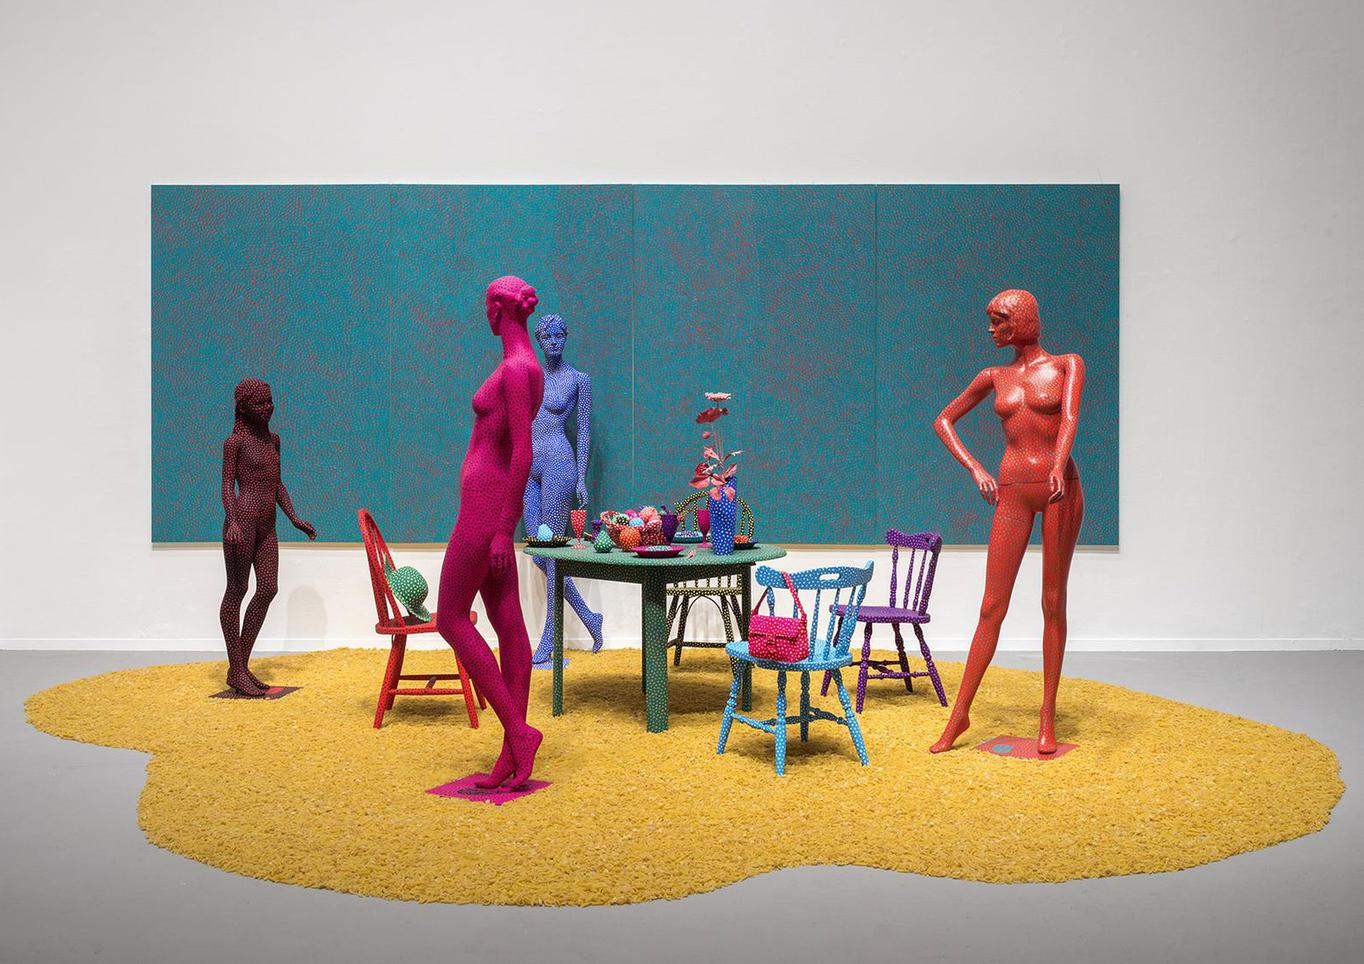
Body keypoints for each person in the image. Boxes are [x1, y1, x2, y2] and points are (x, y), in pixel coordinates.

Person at [930, 290, 1086, 754]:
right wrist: (975, 468)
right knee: (991, 606)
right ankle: (960, 715)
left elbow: (1070, 418)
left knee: (1052, 601)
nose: (990, 329)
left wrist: (1057, 463)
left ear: (1022, 320)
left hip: (1059, 488)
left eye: (998, 320)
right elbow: (944, 420)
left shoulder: (1067, 365)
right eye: (990, 320)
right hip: (1012, 489)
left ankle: (1046, 717)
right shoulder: (994, 376)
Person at [436, 276, 545, 788]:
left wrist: (504, 527)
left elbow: (523, 451)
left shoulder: (519, 369)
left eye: (486, 306)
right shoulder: (522, 366)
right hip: (486, 506)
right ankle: (512, 756)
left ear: (500, 310)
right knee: (509, 625)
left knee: (450, 618)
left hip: (485, 511)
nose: (485, 314)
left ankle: (519, 733)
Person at [219, 378, 316, 696]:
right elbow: (227, 486)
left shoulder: (273, 441)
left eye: (269, 401)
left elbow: (277, 485)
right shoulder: (234, 443)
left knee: (268, 589)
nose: (267, 408)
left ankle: (239, 668)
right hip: (243, 523)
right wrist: (233, 521)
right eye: (260, 403)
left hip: (267, 526)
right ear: (244, 408)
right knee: (237, 590)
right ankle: (237, 669)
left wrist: (295, 518)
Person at [522, 313, 604, 663]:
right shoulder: (530, 376)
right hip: (527, 468)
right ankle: (589, 616)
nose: (554, 342)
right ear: (539, 340)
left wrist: (582, 475)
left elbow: (583, 430)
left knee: (553, 554)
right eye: (547, 337)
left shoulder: (578, 379)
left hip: (558, 462)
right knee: (539, 554)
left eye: (559, 336)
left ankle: (550, 638)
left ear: (565, 338)